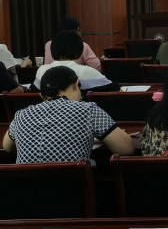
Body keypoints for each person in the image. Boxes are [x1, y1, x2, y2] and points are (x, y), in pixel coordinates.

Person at [3, 65, 134, 165]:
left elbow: (7, 147)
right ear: (76, 85)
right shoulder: (88, 110)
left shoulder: (21, 115)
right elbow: (126, 148)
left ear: (42, 95)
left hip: (25, 191)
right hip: (73, 190)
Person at [34, 31, 119, 92]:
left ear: (53, 50)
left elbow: (33, 89)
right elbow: (113, 88)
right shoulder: (87, 71)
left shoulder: (42, 70)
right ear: (79, 51)